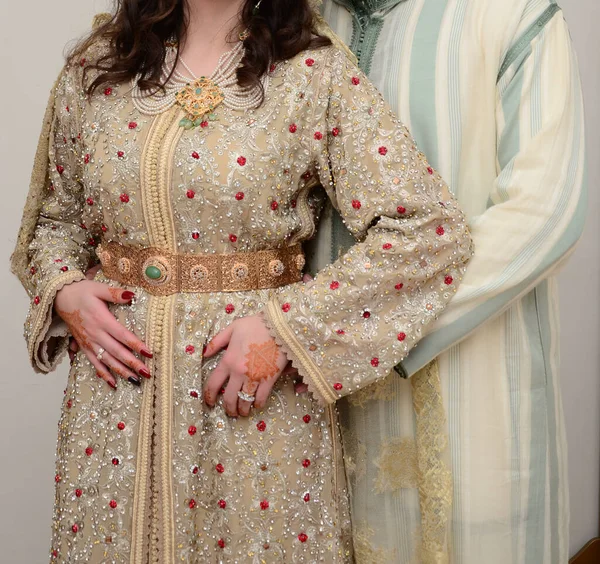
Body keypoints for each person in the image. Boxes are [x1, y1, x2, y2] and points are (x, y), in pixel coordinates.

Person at [9, 0, 473, 561]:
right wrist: (64, 291)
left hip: (248, 398)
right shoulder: (98, 67)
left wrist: (286, 329)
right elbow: (54, 222)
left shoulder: (311, 71)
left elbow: (427, 229)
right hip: (113, 407)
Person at [320, 0, 587, 562]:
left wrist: (377, 327)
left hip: (476, 375)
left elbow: (545, 211)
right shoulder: (298, 19)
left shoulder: (512, 12)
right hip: (323, 385)